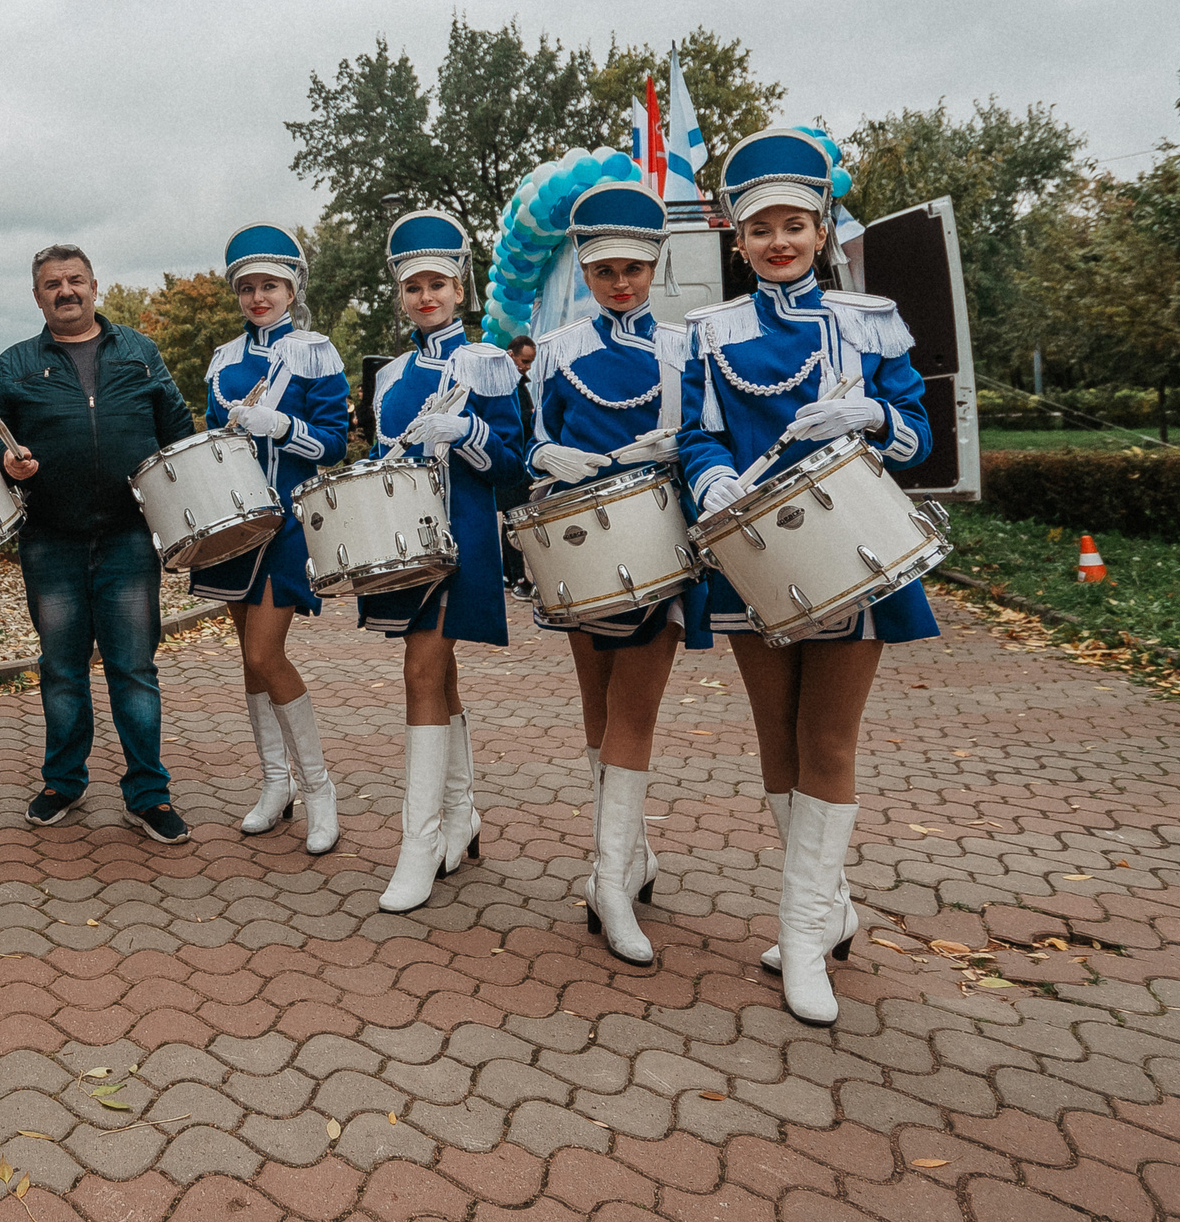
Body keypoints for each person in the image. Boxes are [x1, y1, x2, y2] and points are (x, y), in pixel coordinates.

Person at [678, 128, 936, 1028]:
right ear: (737, 240)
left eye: (795, 224)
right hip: (751, 556)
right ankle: (827, 904)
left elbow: (918, 436)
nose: (779, 242)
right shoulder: (710, 334)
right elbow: (698, 434)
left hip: (853, 556)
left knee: (827, 742)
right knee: (776, 741)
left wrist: (870, 410)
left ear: (821, 231)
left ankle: (803, 938)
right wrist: (709, 475)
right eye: (761, 229)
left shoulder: (869, 319)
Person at [520, 180, 695, 965]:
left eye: (633, 268)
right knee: (597, 706)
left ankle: (609, 882)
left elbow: (718, 436)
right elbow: (528, 438)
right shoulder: (556, 349)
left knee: (635, 708)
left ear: (653, 266)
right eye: (603, 271)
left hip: (661, 540)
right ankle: (630, 854)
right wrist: (540, 454)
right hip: (582, 546)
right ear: (585, 274)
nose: (619, 283)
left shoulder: (686, 346)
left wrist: (684, 446)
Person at [0, 243, 196, 844]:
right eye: (52, 284)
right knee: (63, 670)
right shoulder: (16, 363)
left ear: (95, 286)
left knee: (133, 669)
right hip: (51, 540)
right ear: (37, 295)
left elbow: (177, 431)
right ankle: (63, 782)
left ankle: (148, 793)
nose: (65, 291)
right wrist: (5, 458)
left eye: (75, 280)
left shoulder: (139, 352)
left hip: (129, 538)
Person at [358, 210, 527, 913]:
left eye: (438, 283)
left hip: (459, 537)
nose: (426, 295)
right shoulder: (391, 372)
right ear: (400, 296)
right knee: (439, 670)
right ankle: (461, 818)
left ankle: (419, 842)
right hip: (401, 540)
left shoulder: (487, 363)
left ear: (462, 290)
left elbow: (513, 466)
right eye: (414, 286)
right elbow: (378, 459)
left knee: (420, 667)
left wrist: (468, 430)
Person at [190, 224, 351, 854]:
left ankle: (320, 789)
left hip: (285, 520)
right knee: (247, 658)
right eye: (249, 288)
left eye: (271, 286)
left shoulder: (315, 352)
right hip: (232, 522)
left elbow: (333, 442)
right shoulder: (225, 359)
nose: (259, 297)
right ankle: (274, 782)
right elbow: (214, 438)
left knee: (264, 655)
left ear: (291, 289)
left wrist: (281, 424)